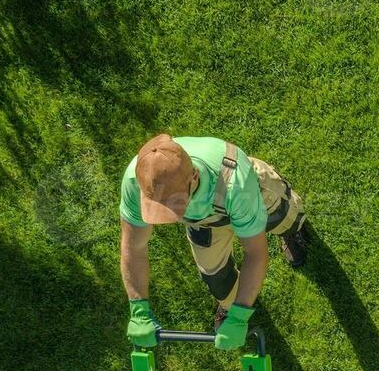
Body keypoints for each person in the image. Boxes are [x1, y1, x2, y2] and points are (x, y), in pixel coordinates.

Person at [120, 134, 311, 350]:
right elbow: (133, 247)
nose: (166, 217)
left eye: (174, 204)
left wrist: (241, 317)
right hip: (203, 220)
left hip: (249, 192)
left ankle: (291, 231)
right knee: (215, 275)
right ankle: (229, 306)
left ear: (194, 177)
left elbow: (255, 252)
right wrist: (139, 309)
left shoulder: (235, 182)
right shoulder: (137, 180)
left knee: (285, 218)